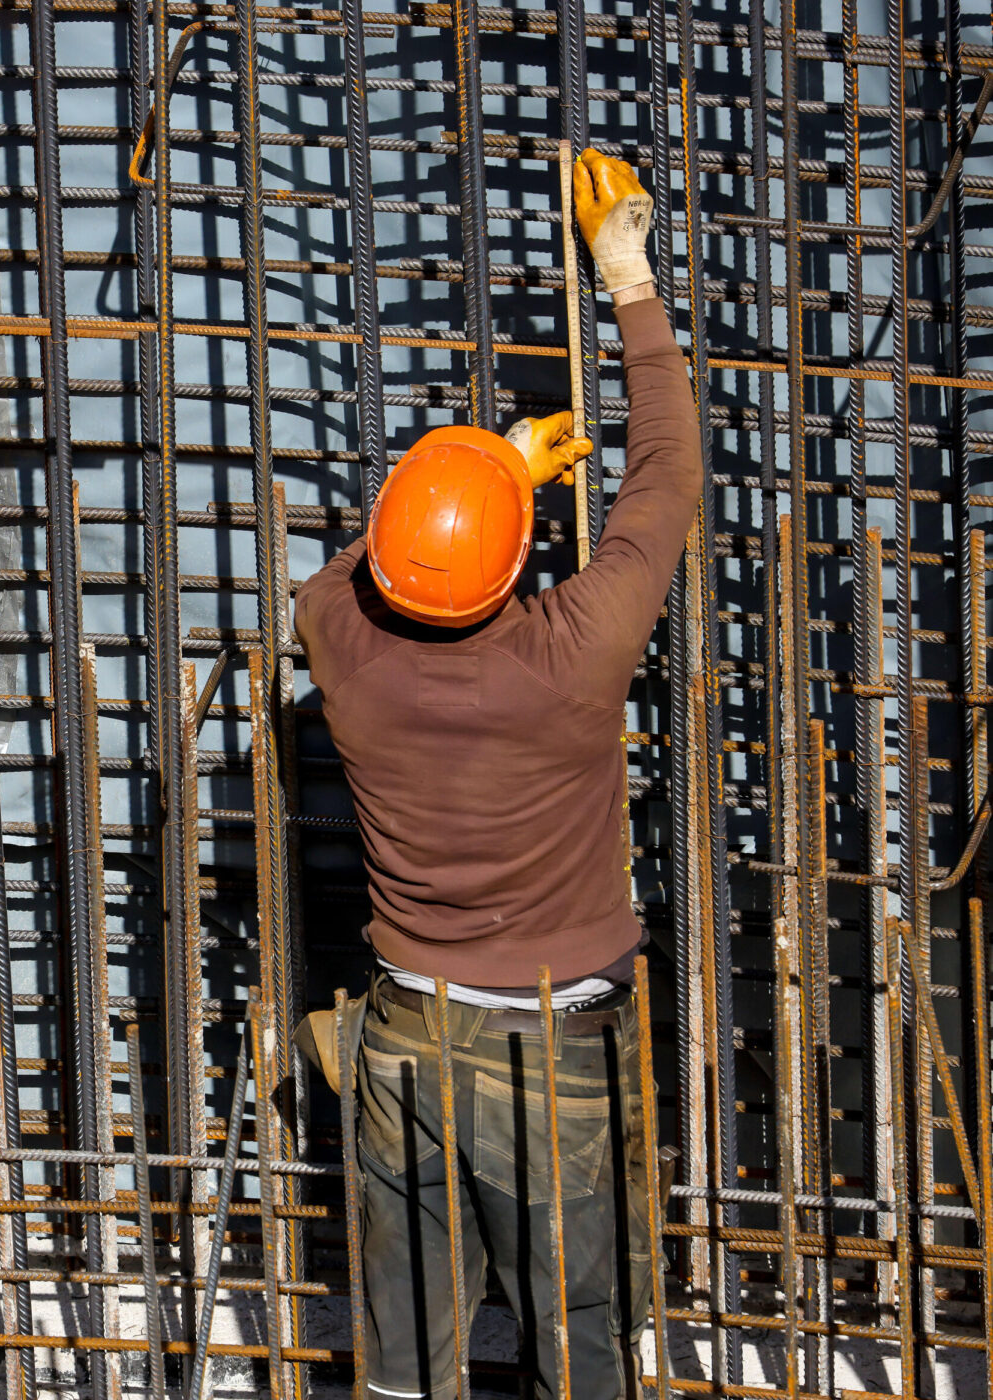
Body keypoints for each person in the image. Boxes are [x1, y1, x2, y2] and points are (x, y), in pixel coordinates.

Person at [292, 149, 700, 1399]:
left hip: (405, 1038)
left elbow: (364, 566)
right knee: (584, 1344)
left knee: (409, 1357)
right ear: (520, 566)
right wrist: (625, 274)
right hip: (552, 1050)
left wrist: (490, 478)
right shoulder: (573, 656)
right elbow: (666, 476)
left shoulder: (338, 639)